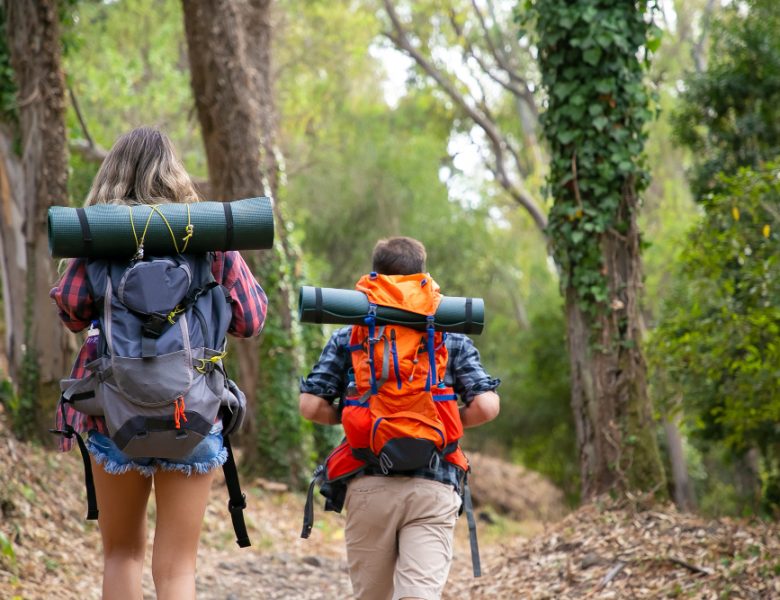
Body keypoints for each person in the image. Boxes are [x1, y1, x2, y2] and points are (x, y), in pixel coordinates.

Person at [50, 127, 267, 600]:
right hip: (193, 411)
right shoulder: (209, 239)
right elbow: (250, 319)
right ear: (175, 173)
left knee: (121, 555)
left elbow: (69, 311)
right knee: (177, 568)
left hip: (113, 415)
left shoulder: (100, 241)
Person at [299, 236, 500, 600]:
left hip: (369, 482)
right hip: (434, 483)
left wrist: (357, 416)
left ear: (375, 277)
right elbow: (487, 406)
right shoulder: (448, 336)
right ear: (423, 275)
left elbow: (311, 406)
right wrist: (442, 420)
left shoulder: (352, 334)